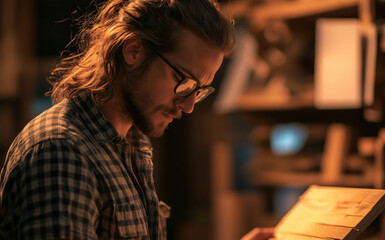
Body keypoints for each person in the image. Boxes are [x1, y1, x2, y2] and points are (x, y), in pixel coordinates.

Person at [0, 0, 273, 239]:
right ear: (134, 51)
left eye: (199, 91)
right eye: (184, 81)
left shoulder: (131, 143)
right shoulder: (62, 152)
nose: (188, 106)